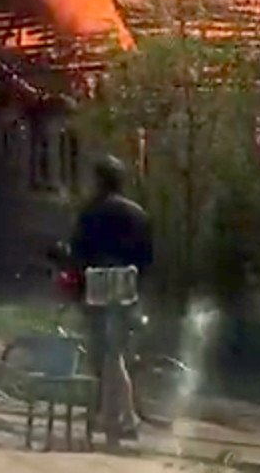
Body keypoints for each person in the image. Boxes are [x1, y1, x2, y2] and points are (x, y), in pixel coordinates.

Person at [69, 154, 153, 444]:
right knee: (116, 354)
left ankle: (118, 417)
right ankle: (114, 416)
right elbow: (147, 258)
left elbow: (78, 252)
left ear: (100, 180)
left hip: (99, 289)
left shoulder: (92, 212)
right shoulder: (139, 214)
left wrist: (76, 284)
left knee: (106, 355)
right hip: (128, 290)